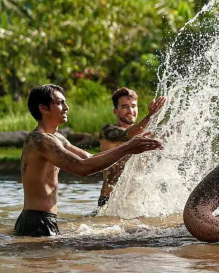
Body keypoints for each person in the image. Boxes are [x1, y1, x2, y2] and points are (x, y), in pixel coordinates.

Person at [16, 84, 163, 237]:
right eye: (59, 103)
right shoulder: (39, 140)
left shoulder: (57, 138)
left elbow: (89, 158)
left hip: (44, 219)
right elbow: (82, 168)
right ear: (43, 108)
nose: (66, 107)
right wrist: (128, 148)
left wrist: (129, 147)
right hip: (37, 221)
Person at [97, 88, 166, 208]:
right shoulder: (108, 131)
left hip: (136, 203)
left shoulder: (146, 135)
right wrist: (150, 115)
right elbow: (127, 134)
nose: (130, 111)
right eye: (124, 107)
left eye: (133, 106)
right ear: (115, 111)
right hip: (110, 201)